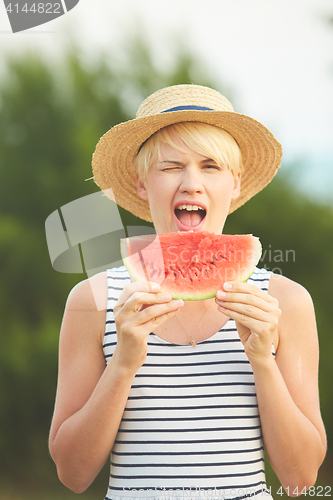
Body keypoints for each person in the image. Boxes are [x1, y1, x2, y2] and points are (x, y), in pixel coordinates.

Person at [48, 84, 327, 499]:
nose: (192, 183)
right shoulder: (93, 300)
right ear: (143, 185)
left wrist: (263, 362)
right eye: (171, 166)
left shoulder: (285, 302)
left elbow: (301, 480)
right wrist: (123, 364)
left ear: (234, 184)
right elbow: (73, 474)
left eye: (210, 166)